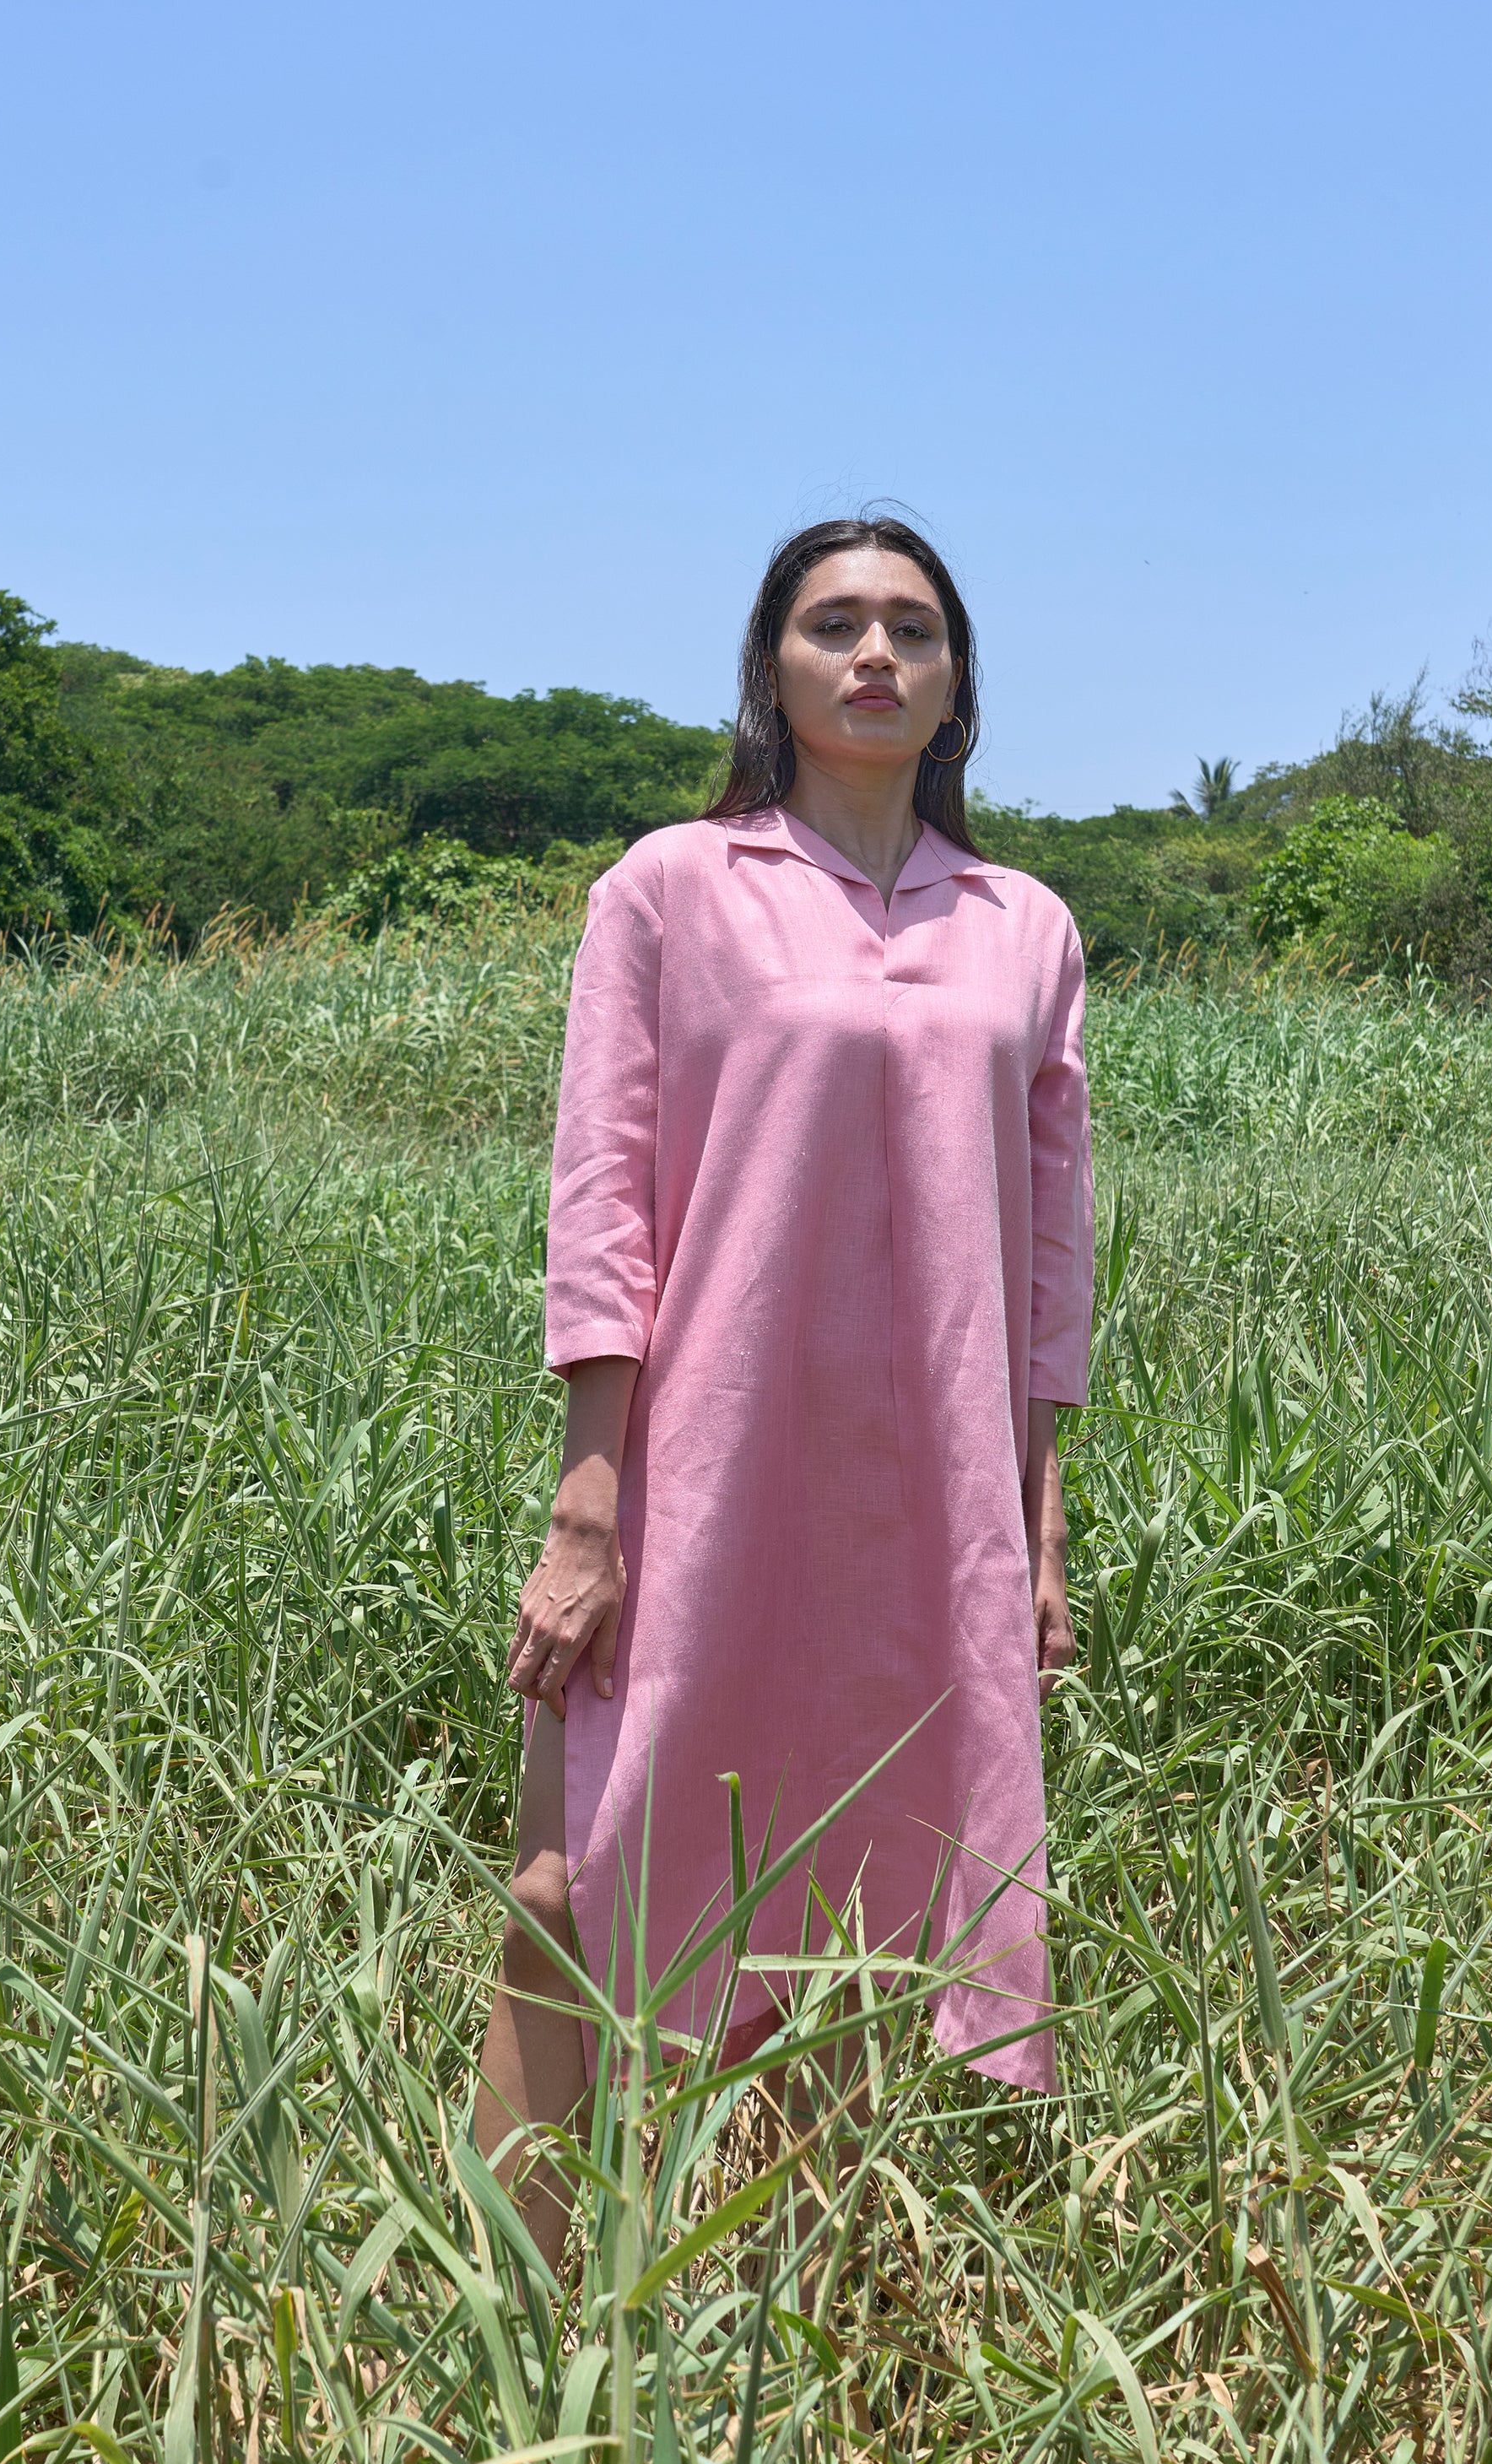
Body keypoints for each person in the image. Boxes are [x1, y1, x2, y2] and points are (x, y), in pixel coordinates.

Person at [473, 515, 1094, 2258]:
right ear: (775, 669)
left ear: (960, 678)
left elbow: (1052, 1255)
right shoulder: (671, 887)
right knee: (573, 1873)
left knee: (859, 1901)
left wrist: (1037, 1526)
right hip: (707, 1466)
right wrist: (590, 1502)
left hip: (932, 1498)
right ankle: (498, 2298)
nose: (877, 652)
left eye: (914, 625)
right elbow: (602, 1196)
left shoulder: (1022, 928)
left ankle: (772, 2321)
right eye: (837, 624)